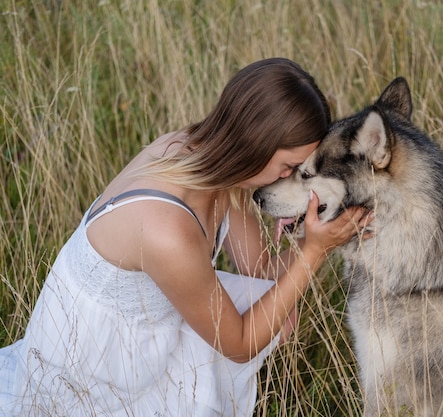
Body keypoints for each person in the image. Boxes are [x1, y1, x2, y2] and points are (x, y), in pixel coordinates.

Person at [0, 58, 372, 416]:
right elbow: (239, 345)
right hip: (95, 368)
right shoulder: (166, 228)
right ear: (255, 144)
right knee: (267, 315)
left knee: (278, 309)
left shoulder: (220, 166)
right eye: (289, 167)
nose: (285, 181)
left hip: (147, 331)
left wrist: (323, 231)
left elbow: (263, 270)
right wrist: (316, 251)